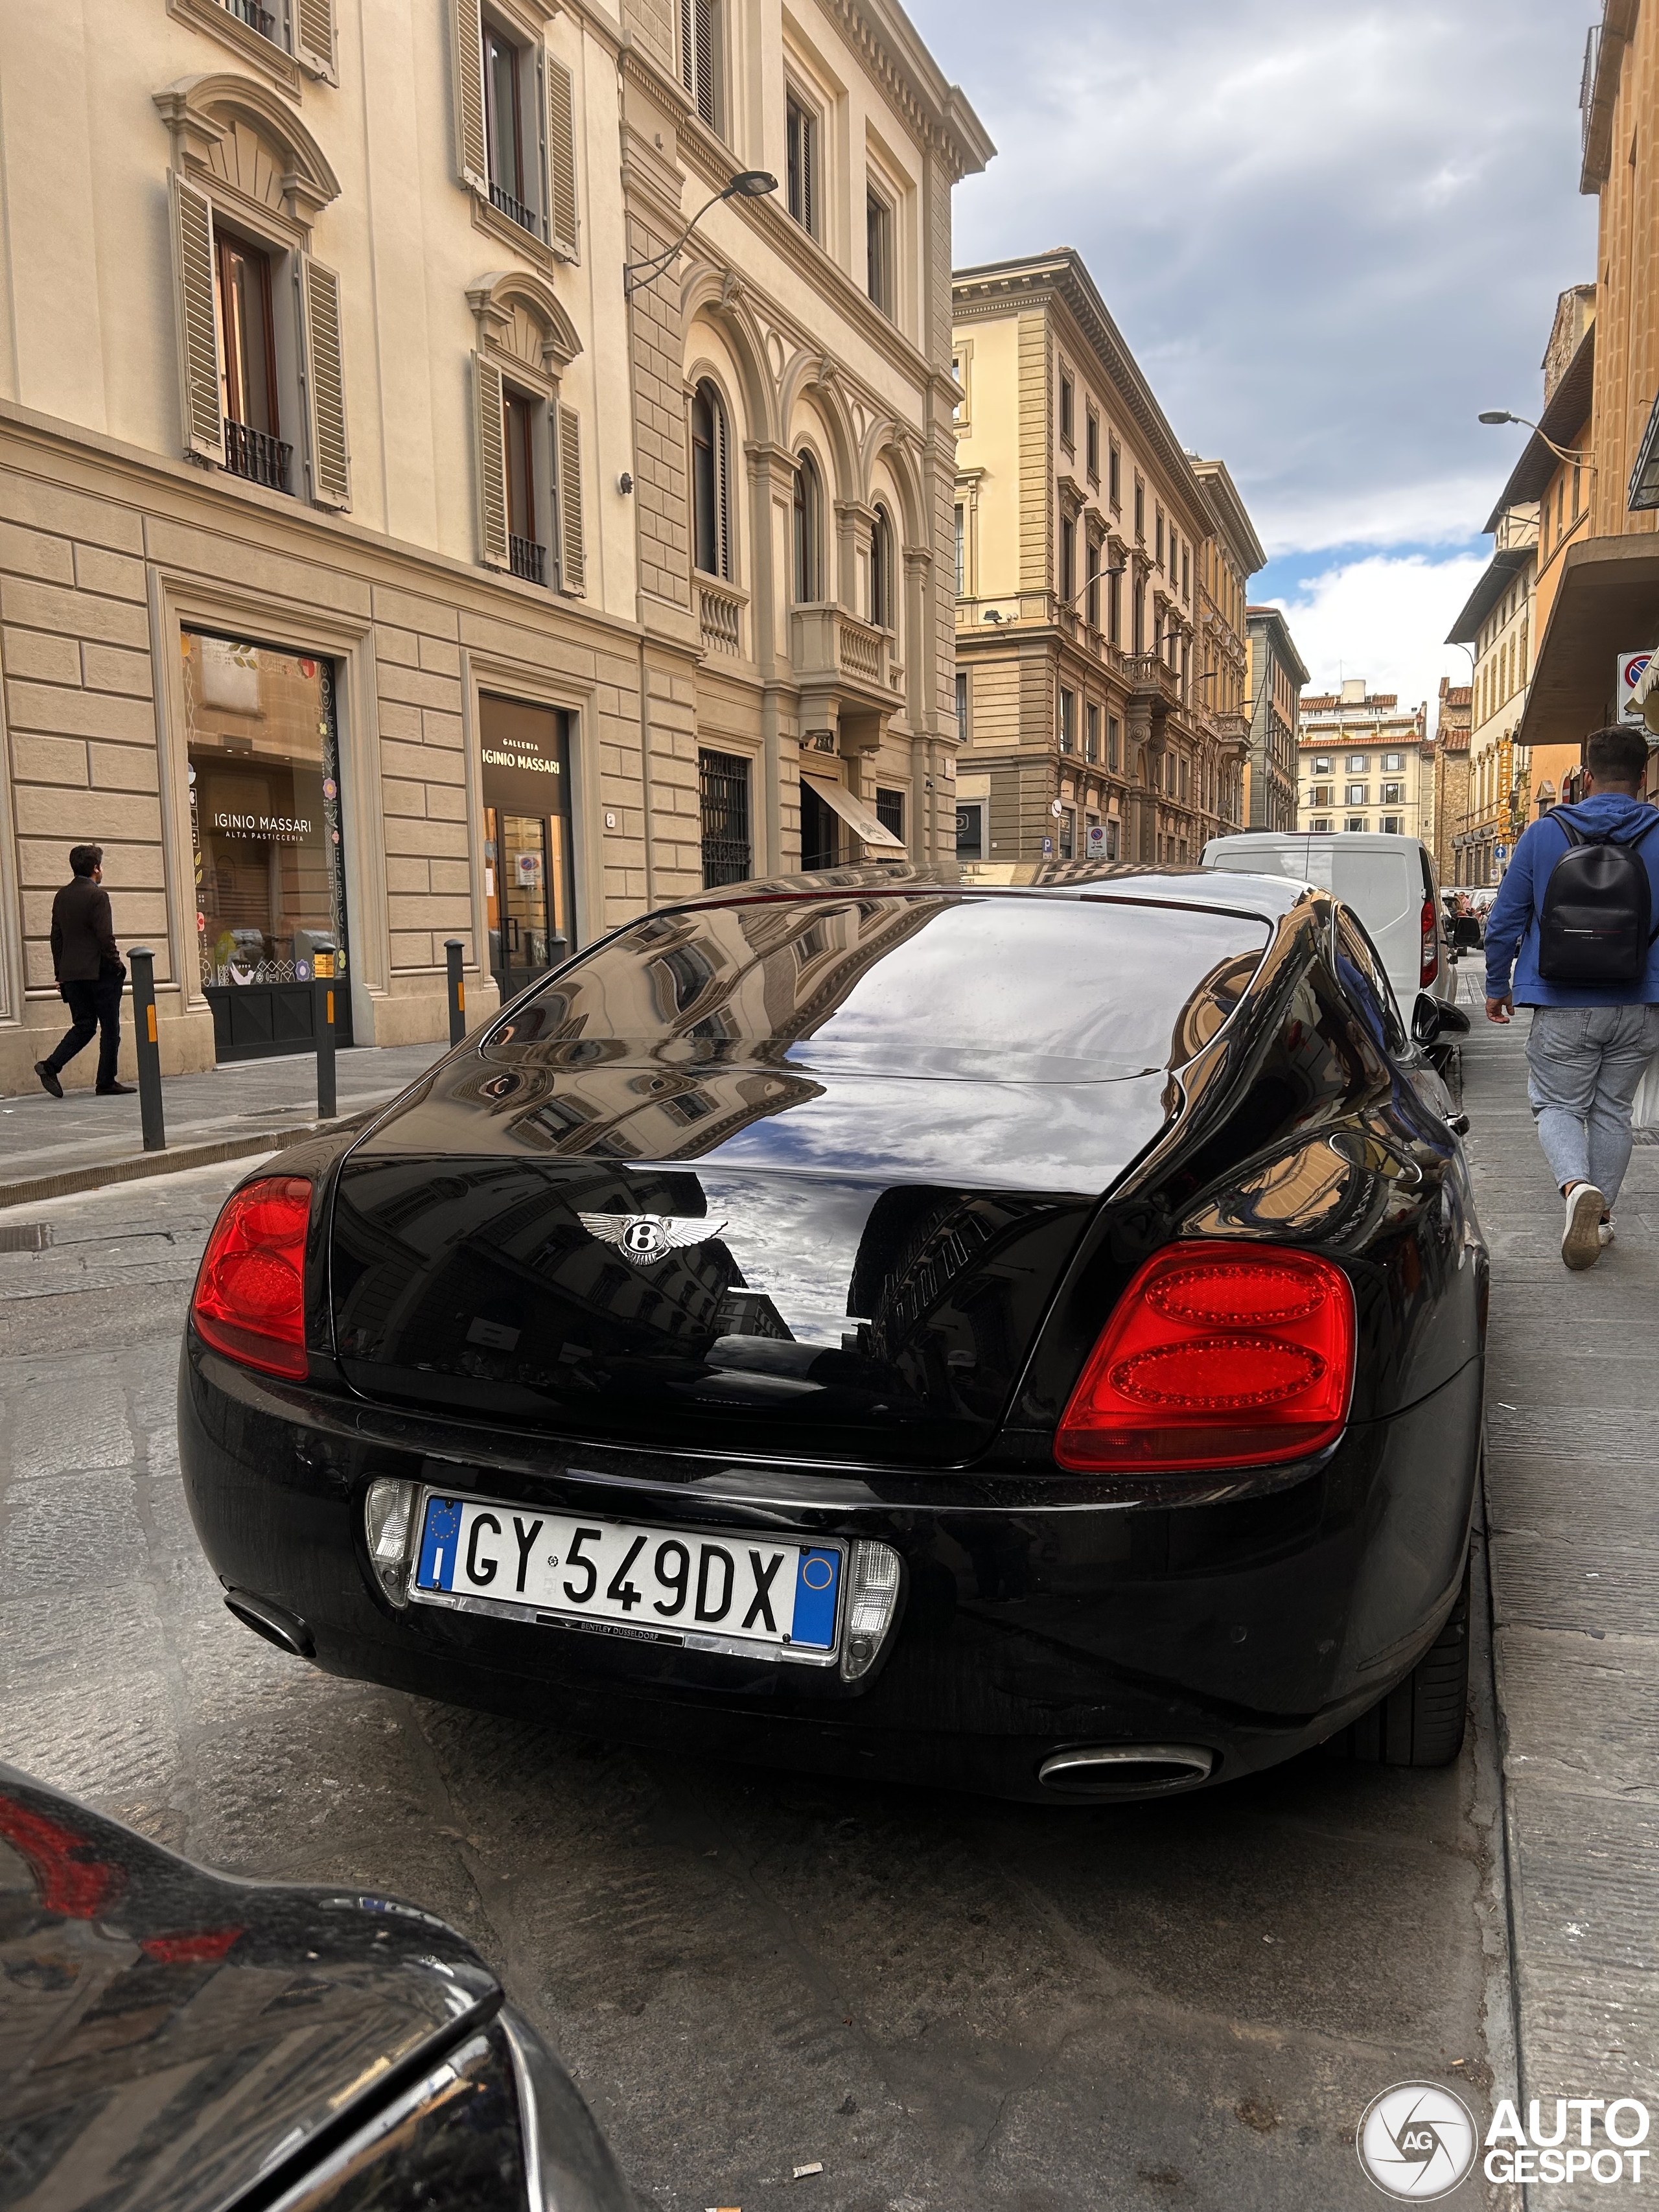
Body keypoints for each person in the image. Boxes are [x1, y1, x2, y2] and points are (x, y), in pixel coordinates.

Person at [1485, 724, 1659, 1270]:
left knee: (1557, 1104)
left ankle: (1576, 1187)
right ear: (1644, 776)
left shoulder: (1543, 834)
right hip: (1638, 1000)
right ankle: (1601, 1218)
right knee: (1613, 1110)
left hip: (1560, 999)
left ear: (1586, 776)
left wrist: (1498, 985)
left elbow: (1505, 919)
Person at [35, 844, 135, 1099]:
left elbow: (55, 937)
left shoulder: (62, 896)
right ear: (96, 868)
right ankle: (106, 1081)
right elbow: (105, 937)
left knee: (84, 1025)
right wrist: (118, 965)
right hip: (99, 972)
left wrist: (60, 973)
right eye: (101, 866)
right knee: (110, 1029)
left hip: (72, 974)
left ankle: (50, 1066)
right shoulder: (98, 896)